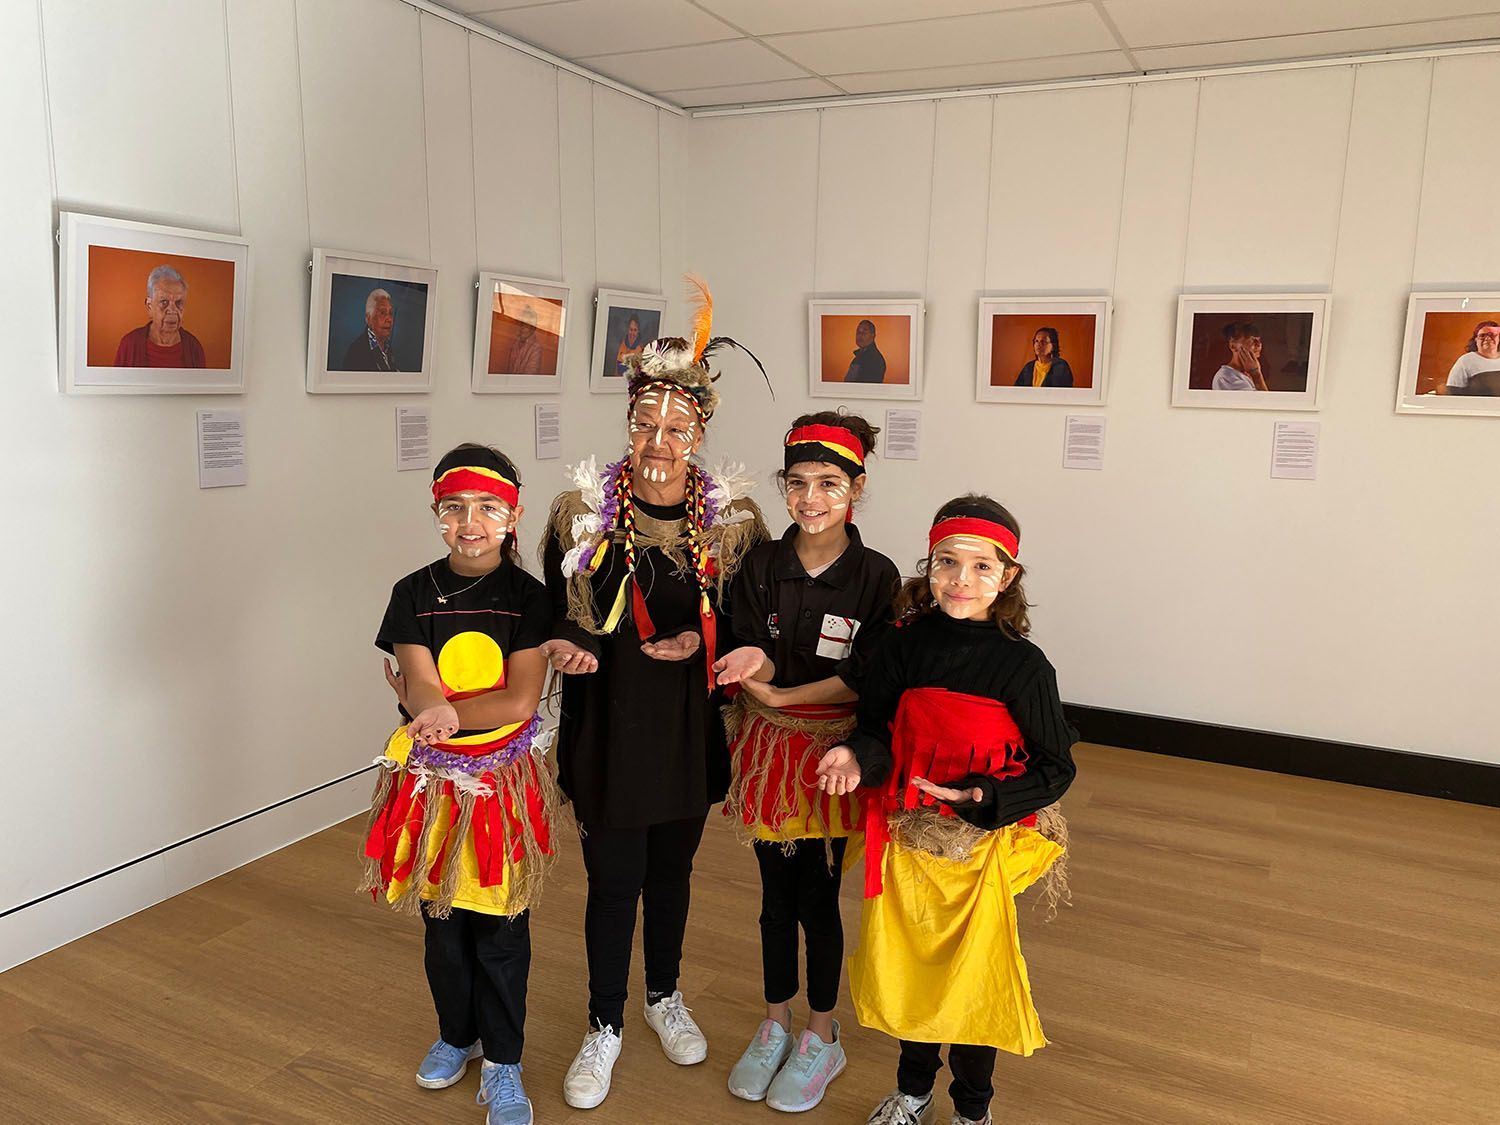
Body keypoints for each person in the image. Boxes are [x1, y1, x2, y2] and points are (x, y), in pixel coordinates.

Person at [541, 278, 770, 1110]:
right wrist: (563, 645)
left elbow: (755, 623)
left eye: (677, 427)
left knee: (671, 874)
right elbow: (553, 612)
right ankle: (604, 1022)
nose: (659, 440)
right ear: (628, 423)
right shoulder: (580, 511)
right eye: (645, 422)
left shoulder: (734, 522)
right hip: (607, 727)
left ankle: (662, 993)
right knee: (613, 880)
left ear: (700, 430)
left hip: (684, 730)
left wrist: (710, 648)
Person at [816, 494, 1077, 1125]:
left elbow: (1056, 767)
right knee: (912, 973)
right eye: (947, 563)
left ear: (1008, 577)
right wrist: (855, 755)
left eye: (982, 567)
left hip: (978, 851)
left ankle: (972, 1108)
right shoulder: (902, 646)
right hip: (906, 843)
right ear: (928, 569)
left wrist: (985, 797)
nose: (962, 580)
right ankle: (912, 1093)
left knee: (970, 982)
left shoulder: (1024, 665)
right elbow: (876, 729)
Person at [362, 443, 556, 1125]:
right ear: (437, 513)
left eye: (488, 507)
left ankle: (504, 1060)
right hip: (434, 787)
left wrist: (443, 712)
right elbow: (419, 678)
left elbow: (519, 701)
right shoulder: (413, 593)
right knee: (441, 921)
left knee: (501, 924)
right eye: (455, 508)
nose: (470, 521)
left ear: (513, 516)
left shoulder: (531, 599)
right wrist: (429, 706)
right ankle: (457, 1033)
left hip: (500, 785)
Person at [716, 411, 901, 1113]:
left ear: (856, 487)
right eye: (797, 483)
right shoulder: (761, 562)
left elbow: (865, 675)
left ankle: (824, 1033)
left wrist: (783, 692)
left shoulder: (877, 577)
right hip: (768, 750)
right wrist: (749, 662)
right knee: (773, 898)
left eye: (829, 482)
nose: (811, 497)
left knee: (818, 899)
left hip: (832, 757)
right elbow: (752, 642)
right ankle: (775, 1020)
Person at [113, 264, 207, 367]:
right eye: (164, 302)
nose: (172, 310)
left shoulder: (194, 348)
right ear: (149, 306)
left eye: (178, 303)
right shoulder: (129, 345)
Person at [342, 288, 399, 371]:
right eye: (382, 313)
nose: (389, 319)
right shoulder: (356, 353)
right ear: (369, 319)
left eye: (390, 313)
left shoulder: (387, 347)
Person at [1441, 320, 1500, 394]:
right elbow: (1453, 392)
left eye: (1492, 335)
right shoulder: (1465, 361)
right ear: (1476, 340)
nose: (1487, 338)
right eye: (1482, 335)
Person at [1210, 322, 1268, 391]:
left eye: (1259, 340)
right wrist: (1257, 376)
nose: (1259, 345)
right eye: (1253, 340)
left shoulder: (1247, 375)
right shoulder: (1225, 378)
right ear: (1233, 346)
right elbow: (1263, 401)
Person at [843, 319, 887, 384]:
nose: (860, 335)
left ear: (873, 335)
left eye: (864, 332)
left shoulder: (875, 359)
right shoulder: (861, 356)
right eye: (858, 332)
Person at [504, 305, 544, 375]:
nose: (522, 327)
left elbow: (529, 377)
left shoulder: (536, 348)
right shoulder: (516, 343)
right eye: (521, 323)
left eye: (526, 324)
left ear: (533, 327)